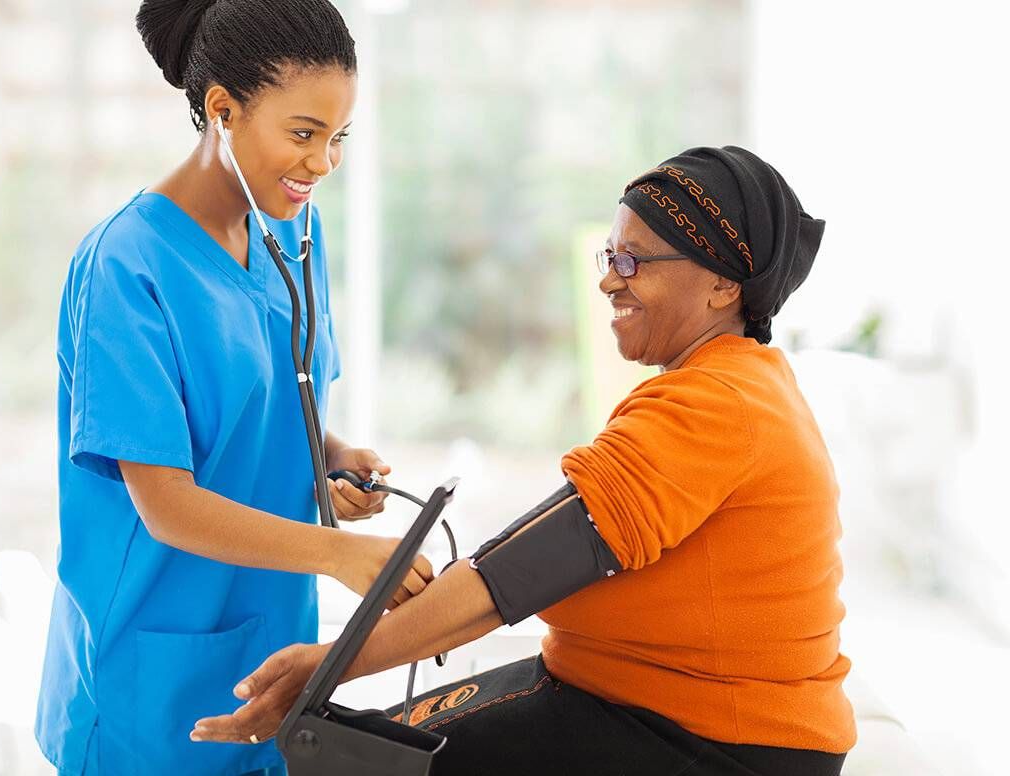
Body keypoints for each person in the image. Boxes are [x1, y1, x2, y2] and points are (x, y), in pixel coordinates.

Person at [191, 146, 857, 776]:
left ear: (720, 285)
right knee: (361, 740)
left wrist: (328, 665)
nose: (607, 280)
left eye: (634, 262)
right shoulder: (734, 383)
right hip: (640, 695)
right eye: (610, 254)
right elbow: (525, 557)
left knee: (343, 756)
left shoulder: (716, 406)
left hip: (708, 739)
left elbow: (514, 576)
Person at [34, 1, 434, 774]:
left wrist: (334, 458)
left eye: (338, 137)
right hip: (147, 673)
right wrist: (340, 556)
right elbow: (166, 503)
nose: (323, 164)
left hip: (269, 643)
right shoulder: (125, 267)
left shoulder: (289, 231)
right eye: (303, 134)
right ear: (222, 109)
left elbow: (285, 407)